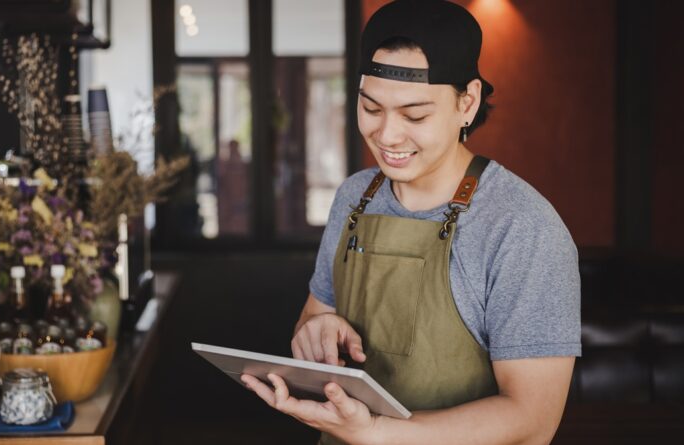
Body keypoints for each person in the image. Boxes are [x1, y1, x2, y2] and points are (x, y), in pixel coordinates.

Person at [241, 1, 581, 444]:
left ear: (468, 102)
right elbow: (314, 314)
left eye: (415, 115)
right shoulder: (354, 197)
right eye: (371, 107)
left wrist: (378, 432)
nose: (387, 135)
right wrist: (314, 332)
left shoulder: (522, 228)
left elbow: (532, 420)